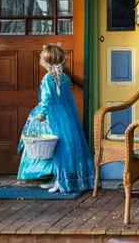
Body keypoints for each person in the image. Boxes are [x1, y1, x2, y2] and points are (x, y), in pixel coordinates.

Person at [17, 43, 95, 194]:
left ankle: (61, 180)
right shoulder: (64, 78)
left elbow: (46, 98)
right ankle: (58, 177)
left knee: (59, 148)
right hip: (66, 115)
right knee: (64, 146)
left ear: (44, 62)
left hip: (53, 116)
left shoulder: (48, 78)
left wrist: (42, 114)